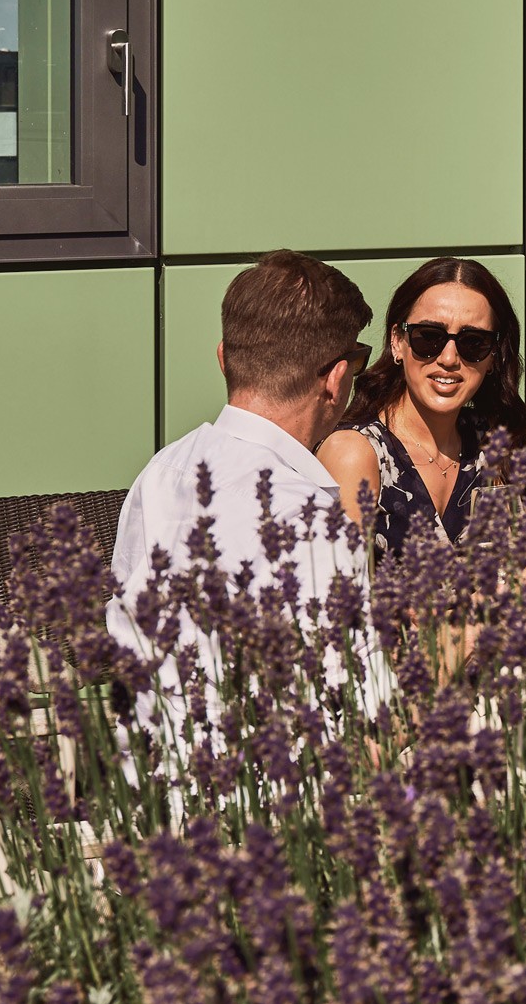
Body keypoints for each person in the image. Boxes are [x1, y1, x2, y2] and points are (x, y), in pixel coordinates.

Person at [108, 250, 380, 746]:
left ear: (222, 358)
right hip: (270, 812)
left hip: (145, 797)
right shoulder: (312, 517)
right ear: (337, 379)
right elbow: (358, 726)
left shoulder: (160, 473)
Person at [318, 257, 526, 555]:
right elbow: (342, 596)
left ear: (493, 356)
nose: (448, 358)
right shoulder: (355, 453)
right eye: (429, 337)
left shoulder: (489, 443)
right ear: (397, 342)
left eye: (473, 342)